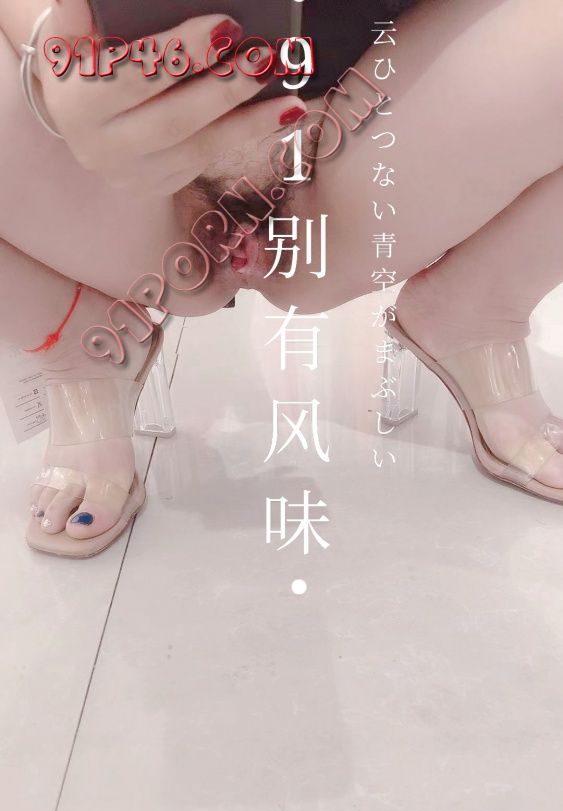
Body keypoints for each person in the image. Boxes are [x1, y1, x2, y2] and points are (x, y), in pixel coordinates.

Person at [1, 0, 562, 555]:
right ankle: (74, 337)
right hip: (104, 147)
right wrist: (51, 50)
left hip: (374, 127)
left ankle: (479, 304)